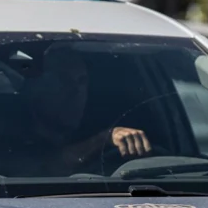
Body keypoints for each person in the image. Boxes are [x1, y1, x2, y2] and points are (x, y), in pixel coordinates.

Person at [21, 43, 151, 169]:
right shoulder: (9, 137)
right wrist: (102, 140)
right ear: (36, 89)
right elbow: (43, 168)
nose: (76, 91)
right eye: (64, 81)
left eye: (81, 81)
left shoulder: (97, 132)